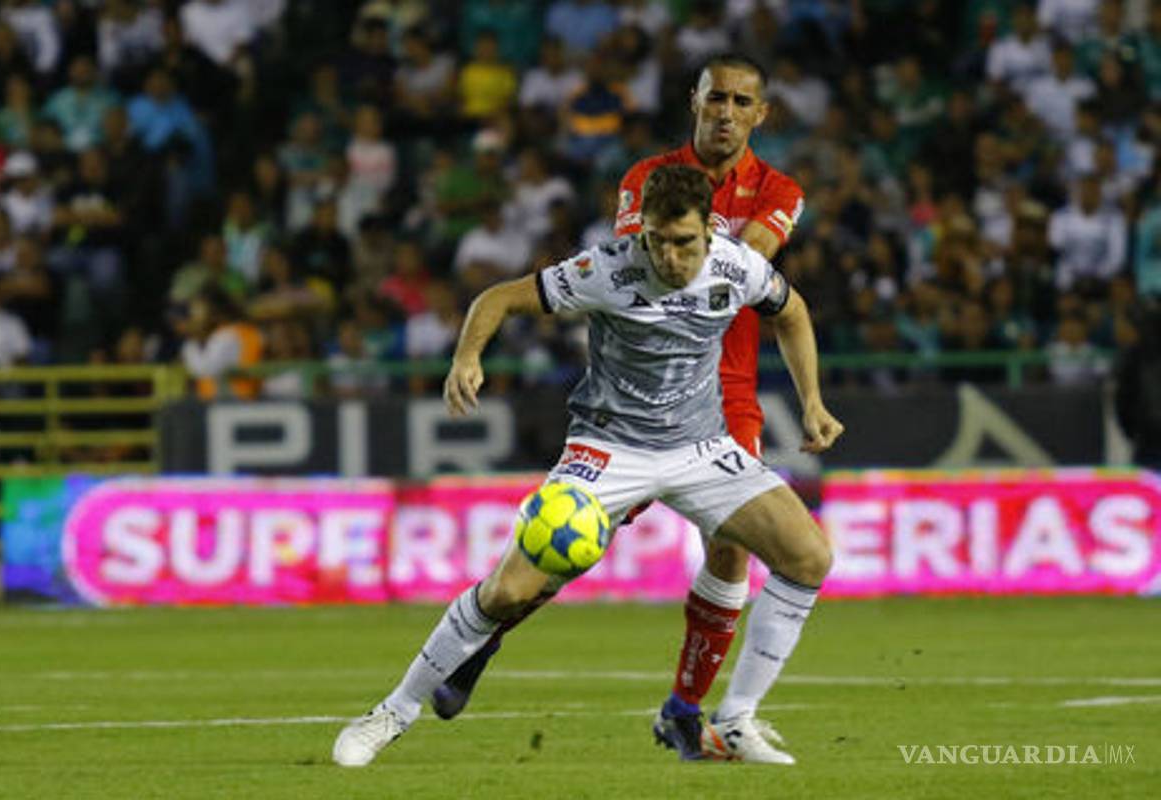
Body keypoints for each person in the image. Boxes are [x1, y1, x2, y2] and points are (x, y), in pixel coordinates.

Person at [332, 164, 843, 767]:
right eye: (657, 241)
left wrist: (812, 399)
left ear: (711, 229)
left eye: (684, 242)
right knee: (508, 591)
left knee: (810, 556)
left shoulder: (739, 265)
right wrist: (467, 357)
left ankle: (733, 722)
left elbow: (792, 311)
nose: (670, 257)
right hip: (609, 450)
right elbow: (498, 298)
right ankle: (392, 711)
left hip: (701, 449)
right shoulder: (608, 268)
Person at [431, 54, 806, 761]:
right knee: (569, 546)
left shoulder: (780, 189)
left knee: (733, 550)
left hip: (726, 389)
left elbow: (746, 264)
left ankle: (685, 708)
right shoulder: (645, 178)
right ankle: (483, 637)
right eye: (715, 98)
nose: (725, 111)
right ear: (693, 101)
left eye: (741, 101)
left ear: (761, 113)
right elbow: (649, 258)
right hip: (636, 397)